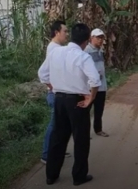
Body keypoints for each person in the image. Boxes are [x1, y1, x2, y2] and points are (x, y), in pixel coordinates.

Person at [38, 23, 101, 186]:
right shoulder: (83, 57)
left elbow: (42, 73)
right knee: (80, 139)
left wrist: (52, 86)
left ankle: (51, 175)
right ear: (87, 41)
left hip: (59, 99)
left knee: (58, 137)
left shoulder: (56, 52)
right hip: (77, 101)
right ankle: (78, 176)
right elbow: (95, 79)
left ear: (72, 36)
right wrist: (91, 98)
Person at [41, 20, 71, 164]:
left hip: (57, 93)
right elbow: (42, 73)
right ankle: (46, 154)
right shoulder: (54, 49)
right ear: (56, 32)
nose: (67, 34)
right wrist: (53, 87)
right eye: (65, 31)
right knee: (54, 125)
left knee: (59, 125)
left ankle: (55, 151)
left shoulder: (56, 47)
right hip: (55, 94)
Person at [84, 28, 109, 137]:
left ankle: (98, 129)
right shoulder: (86, 51)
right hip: (90, 86)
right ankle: (85, 133)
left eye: (102, 38)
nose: (100, 40)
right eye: (98, 38)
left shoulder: (100, 50)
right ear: (91, 38)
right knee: (86, 111)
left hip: (101, 85)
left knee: (99, 110)